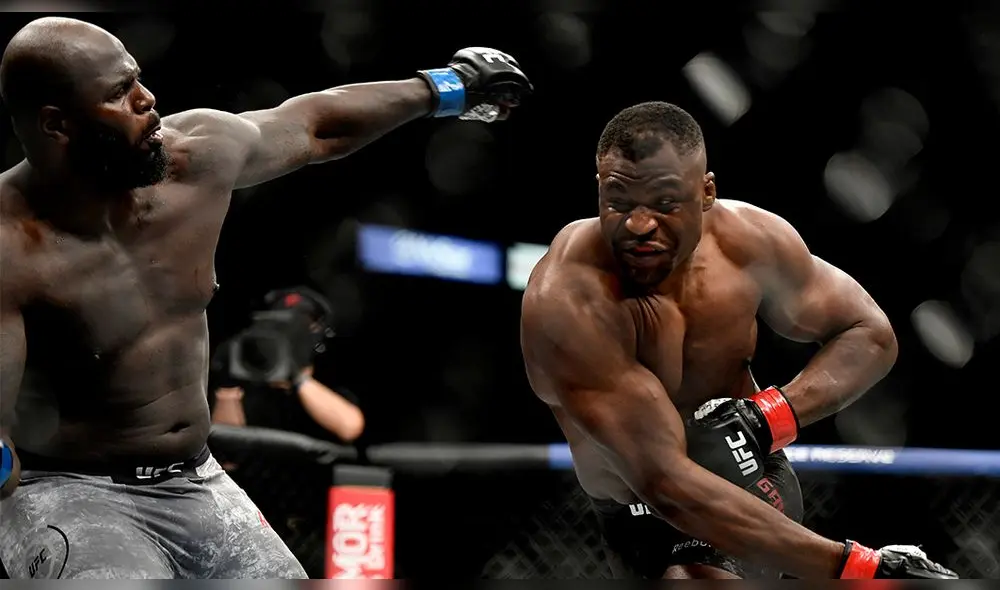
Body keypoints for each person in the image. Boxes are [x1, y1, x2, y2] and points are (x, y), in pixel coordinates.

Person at [0, 16, 531, 579]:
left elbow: (316, 126)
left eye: (137, 79)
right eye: (118, 93)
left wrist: (449, 86)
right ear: (56, 124)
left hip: (197, 481)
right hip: (67, 490)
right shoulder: (11, 248)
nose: (146, 99)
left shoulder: (191, 160)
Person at [519, 101, 957, 580]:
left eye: (665, 203)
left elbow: (870, 334)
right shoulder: (569, 299)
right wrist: (858, 566)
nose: (640, 225)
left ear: (706, 193)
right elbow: (666, 482)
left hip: (748, 468)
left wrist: (769, 416)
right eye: (618, 202)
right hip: (638, 500)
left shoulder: (749, 243)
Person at [211, 286, 365, 444]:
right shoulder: (251, 377)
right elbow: (226, 448)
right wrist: (228, 384)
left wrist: (297, 378)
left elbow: (349, 427)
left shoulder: (331, 377)